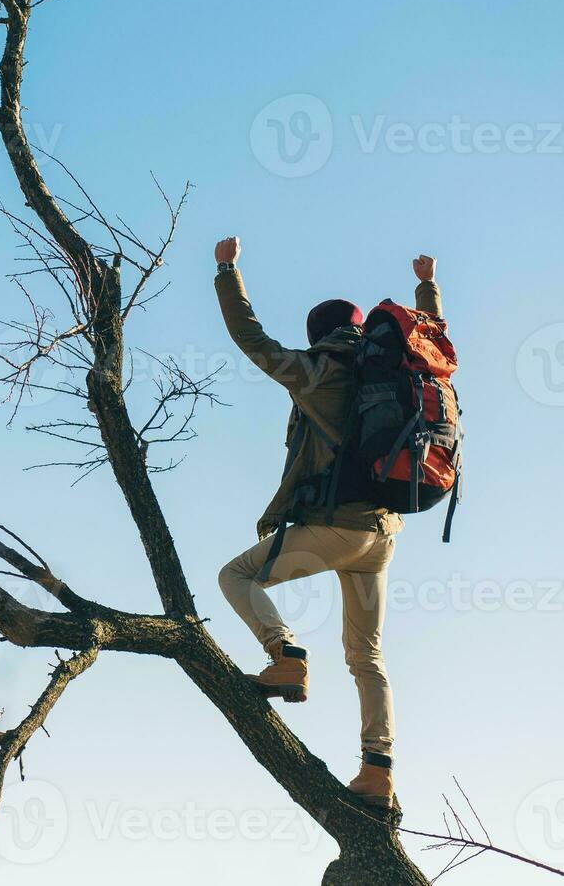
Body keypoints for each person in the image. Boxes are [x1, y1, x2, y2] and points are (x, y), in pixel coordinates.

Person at [212, 236, 442, 811]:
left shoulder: (318, 369)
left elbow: (253, 341)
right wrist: (426, 287)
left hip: (337, 528)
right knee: (368, 656)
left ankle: (285, 656)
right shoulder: (392, 369)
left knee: (236, 578)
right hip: (383, 537)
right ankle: (378, 772)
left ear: (318, 333)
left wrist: (226, 271)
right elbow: (431, 340)